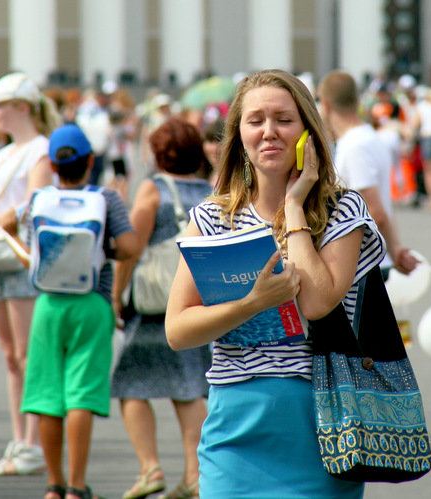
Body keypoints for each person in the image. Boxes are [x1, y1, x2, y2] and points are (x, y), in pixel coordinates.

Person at [166, 69, 384, 498]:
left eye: (284, 119)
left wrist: (294, 204)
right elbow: (177, 330)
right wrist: (251, 303)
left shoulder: (343, 209)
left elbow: (319, 301)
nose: (270, 132)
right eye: (256, 120)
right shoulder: (211, 218)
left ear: (308, 131)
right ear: (239, 134)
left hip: (325, 425)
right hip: (234, 429)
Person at [2, 124, 136, 499]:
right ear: (90, 161)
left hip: (47, 304)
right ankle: (77, 486)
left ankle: (54, 484)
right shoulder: (106, 198)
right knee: (80, 395)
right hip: (92, 301)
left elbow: (5, 224)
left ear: (54, 166)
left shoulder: (40, 198)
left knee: (48, 395)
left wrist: (23, 249)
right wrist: (102, 250)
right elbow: (128, 246)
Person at [0, 72, 59, 476]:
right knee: (10, 357)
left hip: (19, 258)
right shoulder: (2, 153)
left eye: (1, 104)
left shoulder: (40, 150)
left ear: (23, 107)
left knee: (26, 355)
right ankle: (21, 439)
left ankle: (33, 442)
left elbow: (36, 204)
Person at [111, 118, 213, 499]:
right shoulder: (210, 191)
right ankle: (195, 476)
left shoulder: (155, 188)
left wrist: (116, 295)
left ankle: (150, 468)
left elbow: (132, 246)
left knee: (130, 385)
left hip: (153, 306)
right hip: (195, 303)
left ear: (158, 154)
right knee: (188, 390)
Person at [317, 70, 419, 275]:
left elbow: (373, 210)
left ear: (326, 105)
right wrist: (395, 247)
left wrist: (394, 248)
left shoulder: (355, 145)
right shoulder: (368, 137)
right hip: (374, 258)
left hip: (364, 262)